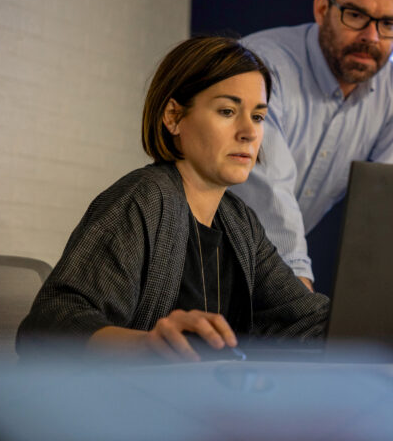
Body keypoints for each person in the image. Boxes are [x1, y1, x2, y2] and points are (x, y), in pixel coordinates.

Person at [17, 36, 329, 362]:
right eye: (227, 111)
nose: (249, 132)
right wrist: (147, 345)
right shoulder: (143, 199)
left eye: (258, 117)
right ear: (173, 117)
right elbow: (47, 326)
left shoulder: (241, 223)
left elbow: (304, 318)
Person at [232, 0, 393, 291]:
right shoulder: (263, 66)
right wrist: (299, 299)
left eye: (388, 23)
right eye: (355, 15)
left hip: (266, 277)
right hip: (199, 264)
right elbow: (267, 188)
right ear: (323, 8)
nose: (372, 37)